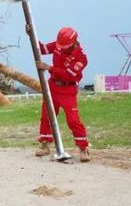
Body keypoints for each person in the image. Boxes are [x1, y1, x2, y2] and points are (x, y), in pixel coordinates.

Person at [35, 27, 90, 162]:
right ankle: (45, 145)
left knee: (73, 120)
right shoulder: (58, 45)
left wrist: (49, 68)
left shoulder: (81, 58)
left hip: (68, 90)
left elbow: (67, 75)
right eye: (61, 46)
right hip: (53, 87)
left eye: (65, 46)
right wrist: (30, 34)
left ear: (74, 42)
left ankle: (83, 148)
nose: (62, 48)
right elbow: (42, 49)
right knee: (46, 116)